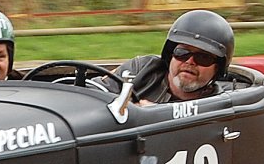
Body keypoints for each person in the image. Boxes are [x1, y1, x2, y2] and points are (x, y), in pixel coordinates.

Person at [99, 9, 235, 105]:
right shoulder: (141, 69)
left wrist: (152, 115)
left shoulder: (217, 105)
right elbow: (95, 90)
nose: (190, 61)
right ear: (171, 54)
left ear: (217, 68)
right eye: (182, 53)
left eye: (203, 58)